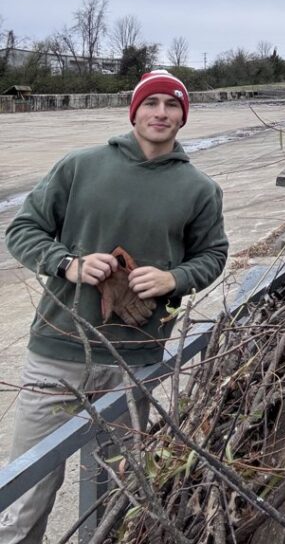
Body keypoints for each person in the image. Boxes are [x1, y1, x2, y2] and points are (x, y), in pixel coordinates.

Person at [0, 70, 228, 544]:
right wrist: (68, 265)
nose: (161, 112)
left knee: (114, 497)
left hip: (133, 361)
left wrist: (174, 278)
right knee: (26, 498)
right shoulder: (81, 166)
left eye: (171, 104)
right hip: (57, 354)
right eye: (151, 103)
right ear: (135, 110)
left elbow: (214, 254)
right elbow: (22, 230)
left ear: (183, 115)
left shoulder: (198, 189)